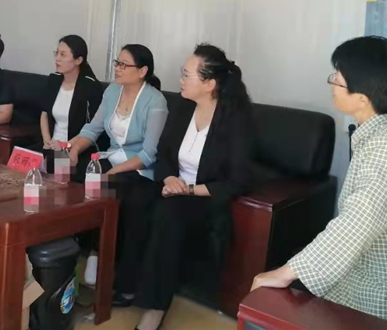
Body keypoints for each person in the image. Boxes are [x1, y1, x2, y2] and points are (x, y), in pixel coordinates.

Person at [251, 36, 387, 329]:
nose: (331, 82)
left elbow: (356, 223)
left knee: (281, 293)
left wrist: (287, 272)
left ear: (362, 97)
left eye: (338, 77)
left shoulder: (386, 146)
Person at [134, 44, 256, 330]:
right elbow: (164, 154)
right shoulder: (183, 107)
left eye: (186, 75)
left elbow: (237, 181)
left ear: (209, 83)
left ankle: (153, 312)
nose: (180, 80)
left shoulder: (235, 120)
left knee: (167, 215)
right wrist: (168, 178)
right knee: (132, 198)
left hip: (205, 198)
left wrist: (187, 190)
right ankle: (124, 287)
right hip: (173, 189)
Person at [69, 44, 168, 302]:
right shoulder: (112, 91)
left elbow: (149, 154)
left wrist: (113, 172)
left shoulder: (155, 101)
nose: (118, 68)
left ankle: (125, 283)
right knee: (73, 178)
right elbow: (93, 128)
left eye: (125, 65)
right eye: (117, 62)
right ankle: (88, 253)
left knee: (122, 196)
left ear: (142, 71)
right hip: (111, 157)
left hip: (141, 169)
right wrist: (74, 148)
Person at [40, 35, 107, 182]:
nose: (57, 58)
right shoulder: (53, 80)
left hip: (76, 147)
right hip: (51, 145)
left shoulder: (90, 86)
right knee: (23, 164)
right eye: (56, 53)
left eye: (63, 55)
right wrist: (47, 142)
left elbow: (93, 127)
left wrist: (66, 145)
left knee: (58, 174)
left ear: (78, 60)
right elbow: (44, 113)